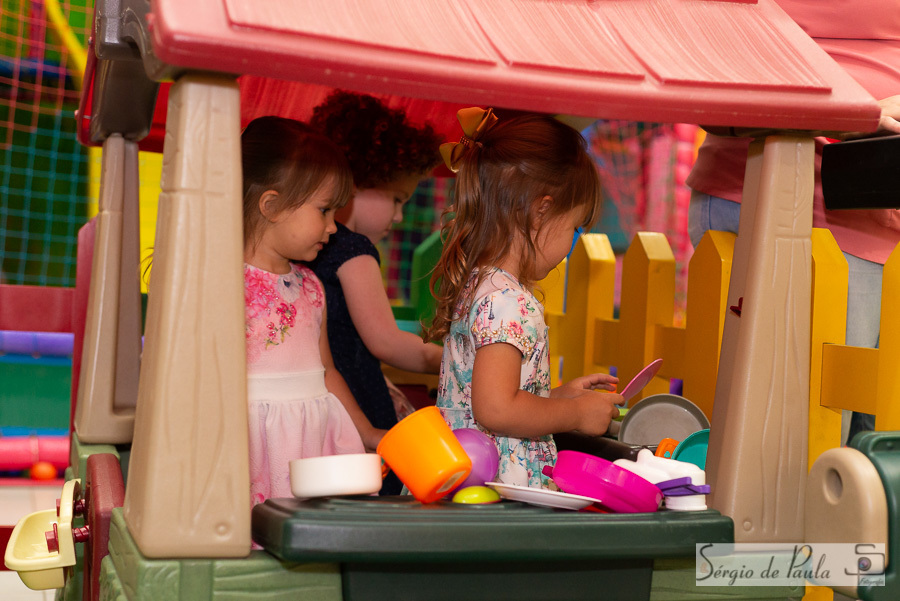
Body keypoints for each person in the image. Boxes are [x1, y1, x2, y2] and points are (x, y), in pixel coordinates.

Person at [686, 0, 900, 444]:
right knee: (807, 439)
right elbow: (710, 64)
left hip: (874, 207)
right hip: (788, 195)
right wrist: (849, 112)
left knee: (868, 444)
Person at [426, 108, 623, 488]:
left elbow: (487, 393)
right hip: (497, 483)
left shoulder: (481, 284)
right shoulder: (509, 301)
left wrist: (561, 397)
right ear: (541, 212)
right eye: (574, 227)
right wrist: (576, 416)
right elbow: (497, 409)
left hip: (465, 471)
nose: (571, 242)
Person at [307, 91, 444, 494]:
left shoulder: (301, 248)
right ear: (354, 182)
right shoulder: (352, 249)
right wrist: (455, 360)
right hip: (358, 402)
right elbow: (386, 342)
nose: (399, 217)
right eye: (397, 199)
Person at [241, 116, 383, 506]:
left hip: (310, 443)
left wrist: (367, 431)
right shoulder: (225, 284)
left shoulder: (311, 287)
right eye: (324, 211)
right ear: (271, 205)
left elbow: (327, 372)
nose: (334, 227)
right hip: (252, 444)